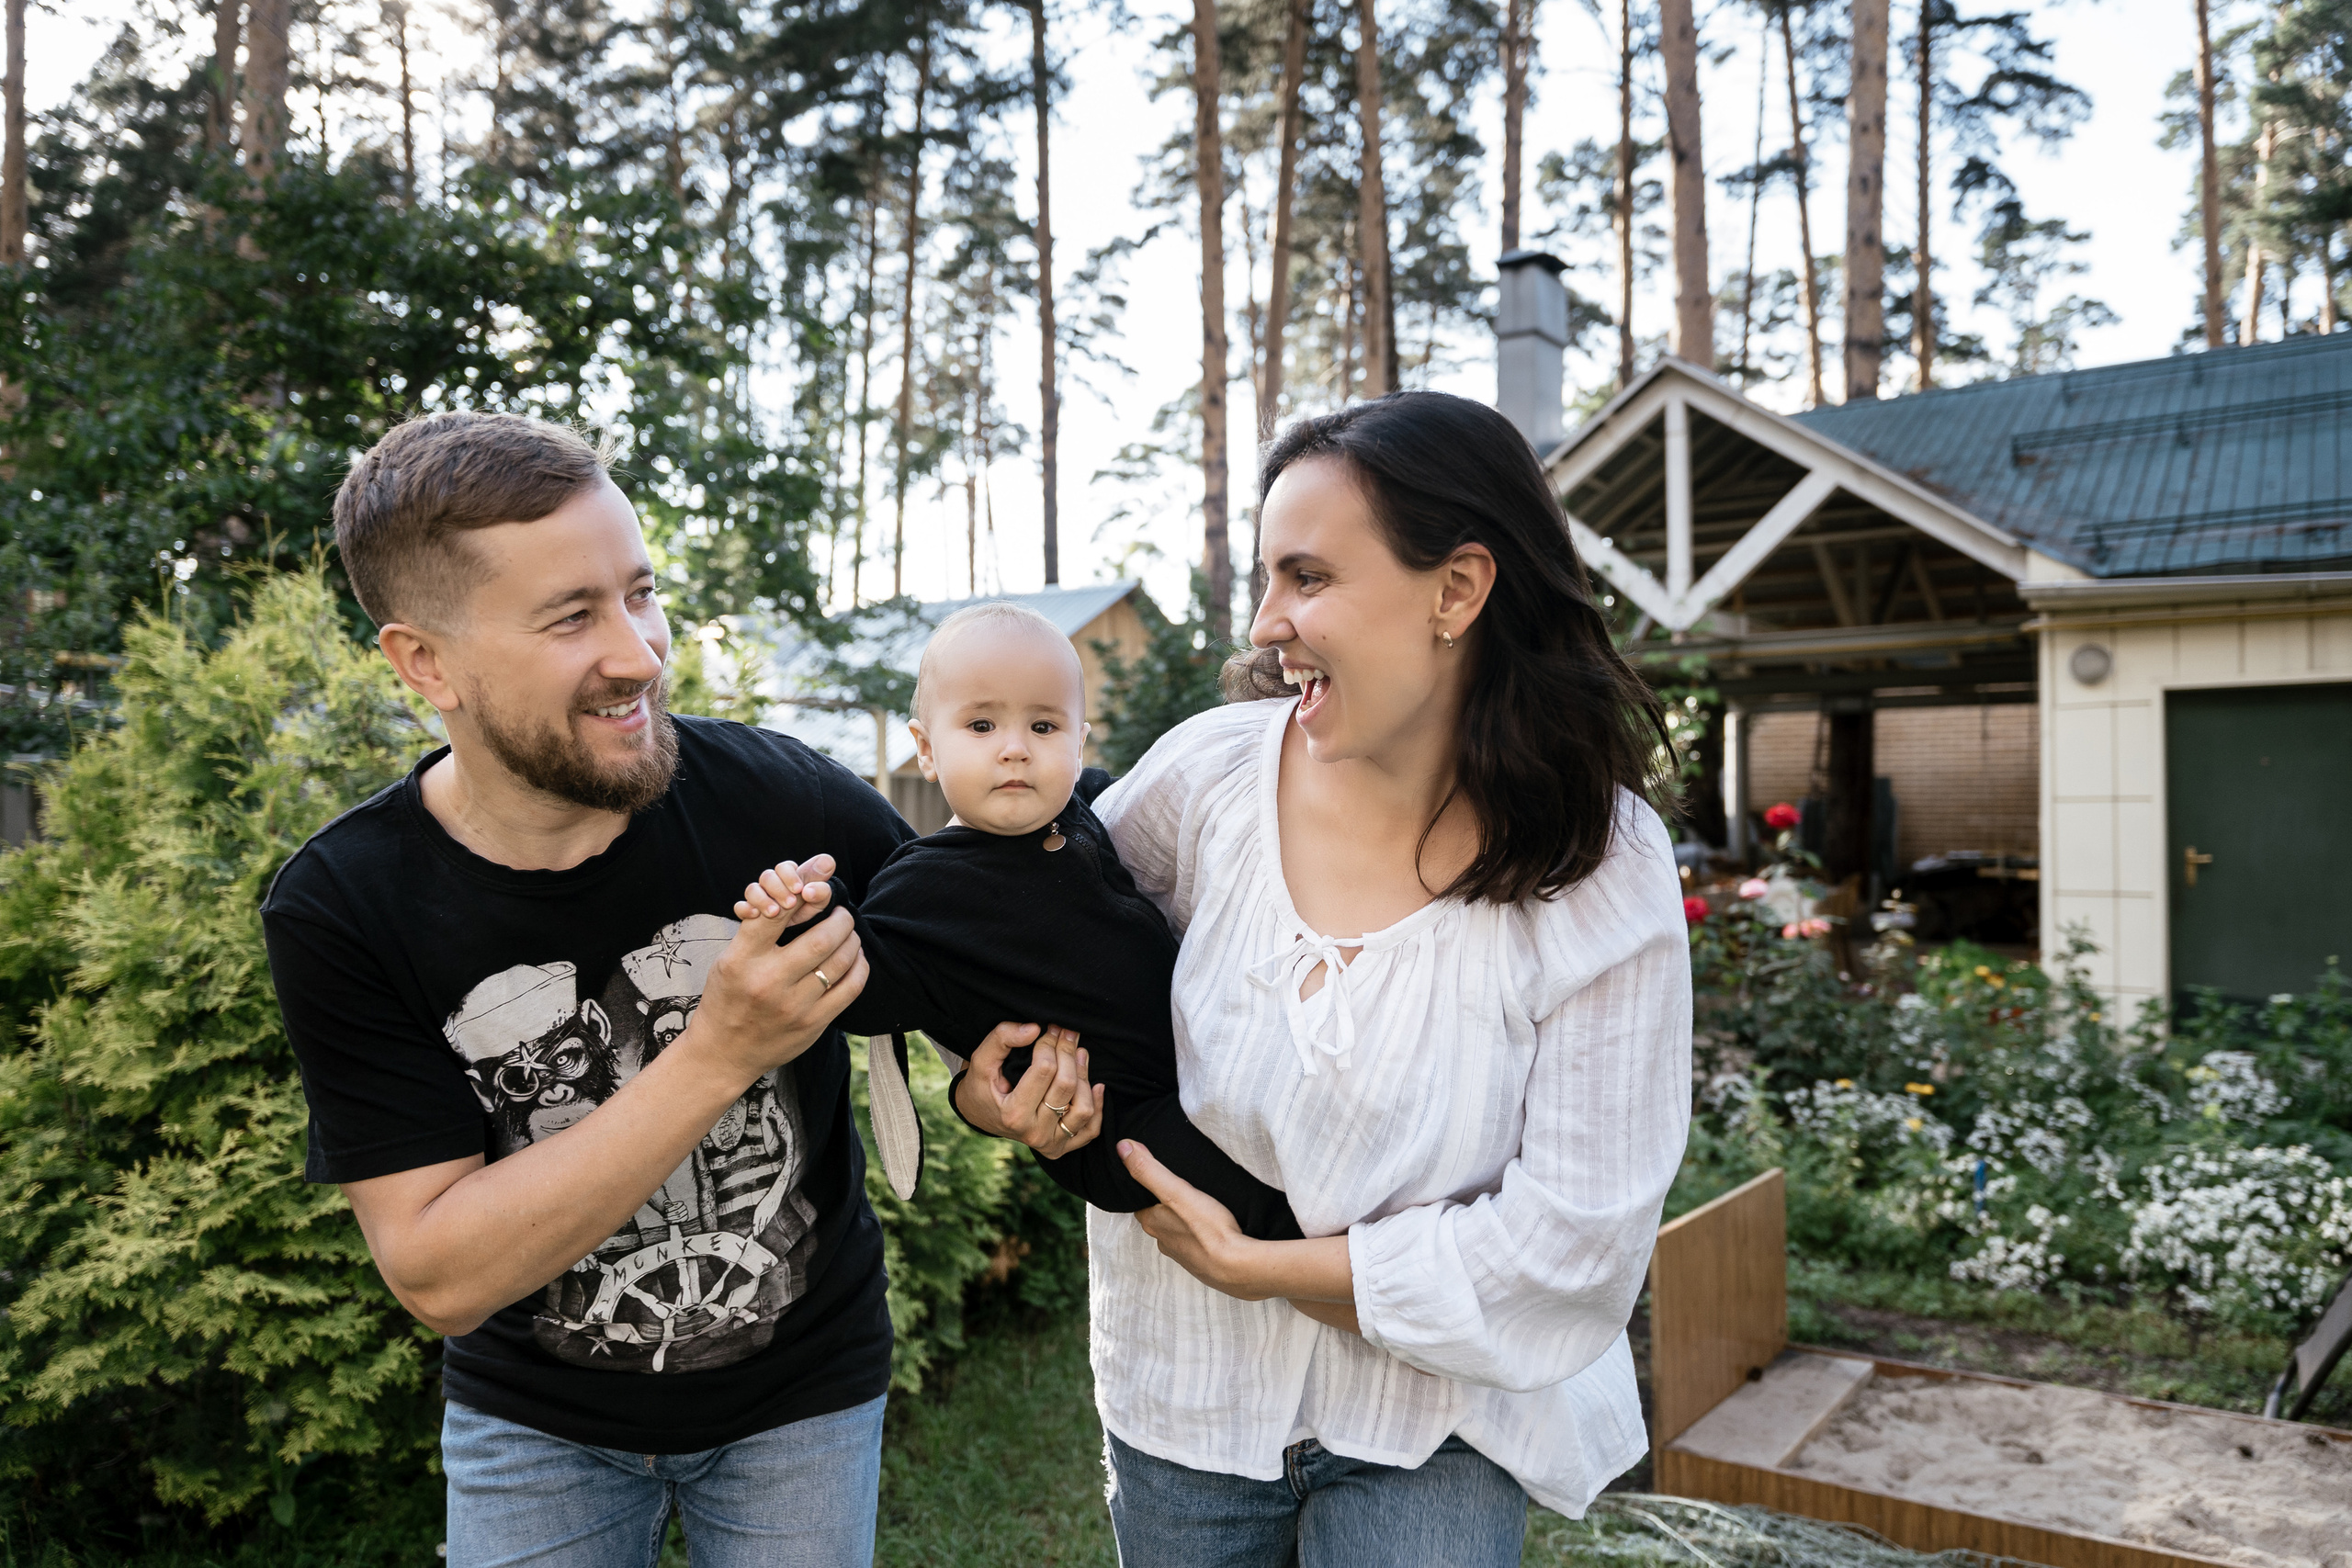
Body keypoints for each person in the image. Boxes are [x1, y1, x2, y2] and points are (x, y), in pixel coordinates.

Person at [260, 412, 1090, 1568]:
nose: (642, 652)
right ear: (423, 664)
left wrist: (991, 1095)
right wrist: (717, 1050)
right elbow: (438, 1273)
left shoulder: (778, 797)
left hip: (805, 1398)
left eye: (639, 593)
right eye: (571, 617)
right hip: (533, 1426)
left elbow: (967, 1000)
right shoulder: (343, 905)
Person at [956, 390, 1695, 1565]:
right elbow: (1032, 953)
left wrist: (1273, 1271)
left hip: (1436, 1422)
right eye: (1265, 578)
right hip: (1183, 1400)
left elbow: (1577, 1241)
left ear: (1457, 589)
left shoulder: (1599, 864)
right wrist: (986, 1091)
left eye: (1306, 578)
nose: (1263, 624)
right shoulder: (1203, 784)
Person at [731, 601, 1301, 1241]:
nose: (1014, 749)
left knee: (1288, 1137)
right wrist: (812, 911)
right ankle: (1327, 1256)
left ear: (1079, 741)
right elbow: (870, 987)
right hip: (1111, 1122)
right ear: (925, 748)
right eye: (980, 724)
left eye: (1043, 726)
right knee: (1268, 1203)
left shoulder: (1085, 811)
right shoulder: (929, 883)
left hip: (1187, 1068)